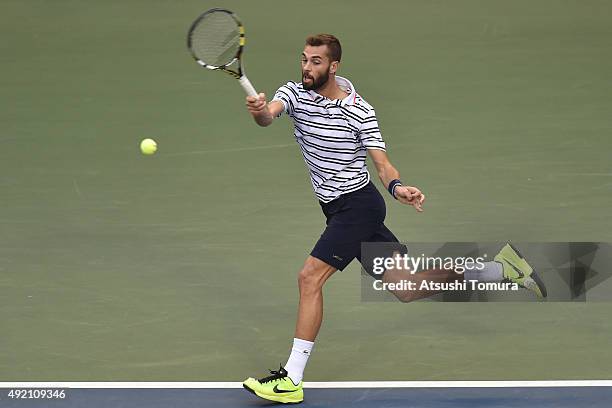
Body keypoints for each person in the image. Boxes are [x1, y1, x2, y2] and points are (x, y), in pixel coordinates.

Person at [241, 34, 545, 404]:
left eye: (316, 62)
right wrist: (259, 110)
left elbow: (381, 164)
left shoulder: (359, 110)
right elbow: (267, 117)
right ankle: (499, 269)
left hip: (359, 206)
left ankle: (291, 378)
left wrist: (398, 187)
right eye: (304, 59)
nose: (307, 67)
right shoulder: (292, 93)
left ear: (333, 66)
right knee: (407, 288)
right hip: (339, 209)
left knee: (309, 279)